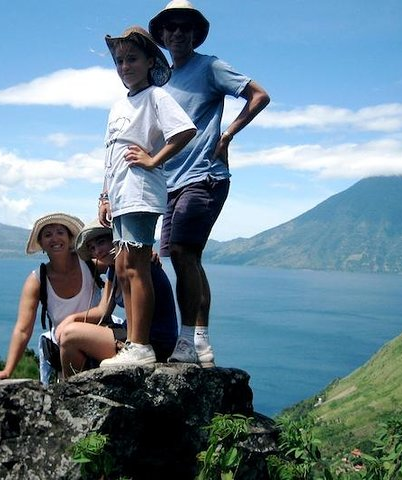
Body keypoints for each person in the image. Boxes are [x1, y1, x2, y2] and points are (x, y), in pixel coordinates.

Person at [148, 1, 271, 366]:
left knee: (185, 254)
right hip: (172, 181)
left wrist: (227, 134)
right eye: (171, 27)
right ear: (163, 34)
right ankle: (198, 341)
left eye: (185, 27)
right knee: (184, 258)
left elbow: (259, 95)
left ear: (195, 33)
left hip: (205, 176)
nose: (178, 33)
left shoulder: (210, 66)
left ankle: (190, 340)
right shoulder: (163, 78)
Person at [98, 26, 196, 367]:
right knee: (123, 266)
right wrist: (105, 195)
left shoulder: (156, 96)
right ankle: (133, 342)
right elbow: (110, 153)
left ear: (151, 61)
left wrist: (154, 159)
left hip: (140, 191)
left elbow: (184, 130)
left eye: (132, 59)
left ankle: (141, 345)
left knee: (137, 266)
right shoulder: (118, 106)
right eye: (120, 60)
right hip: (122, 194)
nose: (125, 66)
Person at [0, 213, 101, 384]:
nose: (55, 238)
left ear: (70, 238)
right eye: (48, 235)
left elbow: (122, 266)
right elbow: (23, 329)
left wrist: (147, 258)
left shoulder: (90, 264)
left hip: (98, 337)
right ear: (42, 244)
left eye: (60, 232)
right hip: (66, 347)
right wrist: (8, 370)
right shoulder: (37, 280)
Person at [55, 220, 178, 377]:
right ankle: (79, 387)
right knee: (71, 330)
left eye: (101, 242)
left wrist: (70, 325)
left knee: (69, 335)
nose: (97, 251)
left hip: (154, 341)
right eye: (92, 248)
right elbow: (102, 311)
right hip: (132, 336)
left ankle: (70, 390)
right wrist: (72, 318)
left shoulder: (139, 264)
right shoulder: (114, 270)